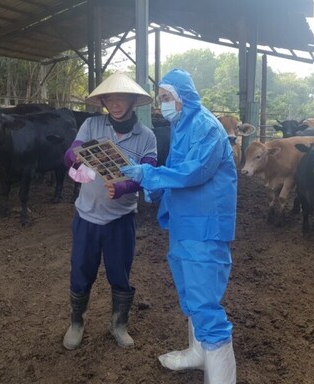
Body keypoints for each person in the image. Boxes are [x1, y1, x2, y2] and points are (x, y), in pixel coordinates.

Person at [120, 68, 237, 384]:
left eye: (166, 97)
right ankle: (198, 353)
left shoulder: (206, 128)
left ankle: (222, 378)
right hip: (185, 226)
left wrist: (150, 176)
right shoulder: (182, 127)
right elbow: (173, 171)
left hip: (205, 227)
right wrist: (149, 183)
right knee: (191, 295)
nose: (162, 105)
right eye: (160, 98)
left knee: (205, 304)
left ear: (184, 97)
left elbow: (193, 172)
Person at [62, 73, 157, 350]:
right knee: (81, 271)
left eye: (121, 98)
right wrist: (74, 156)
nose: (115, 104)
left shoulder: (146, 137)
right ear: (104, 102)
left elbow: (148, 171)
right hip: (87, 215)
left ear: (132, 101)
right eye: (110, 99)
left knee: (120, 273)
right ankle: (76, 323)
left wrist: (126, 186)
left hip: (121, 219)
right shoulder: (91, 125)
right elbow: (72, 152)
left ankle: (119, 324)